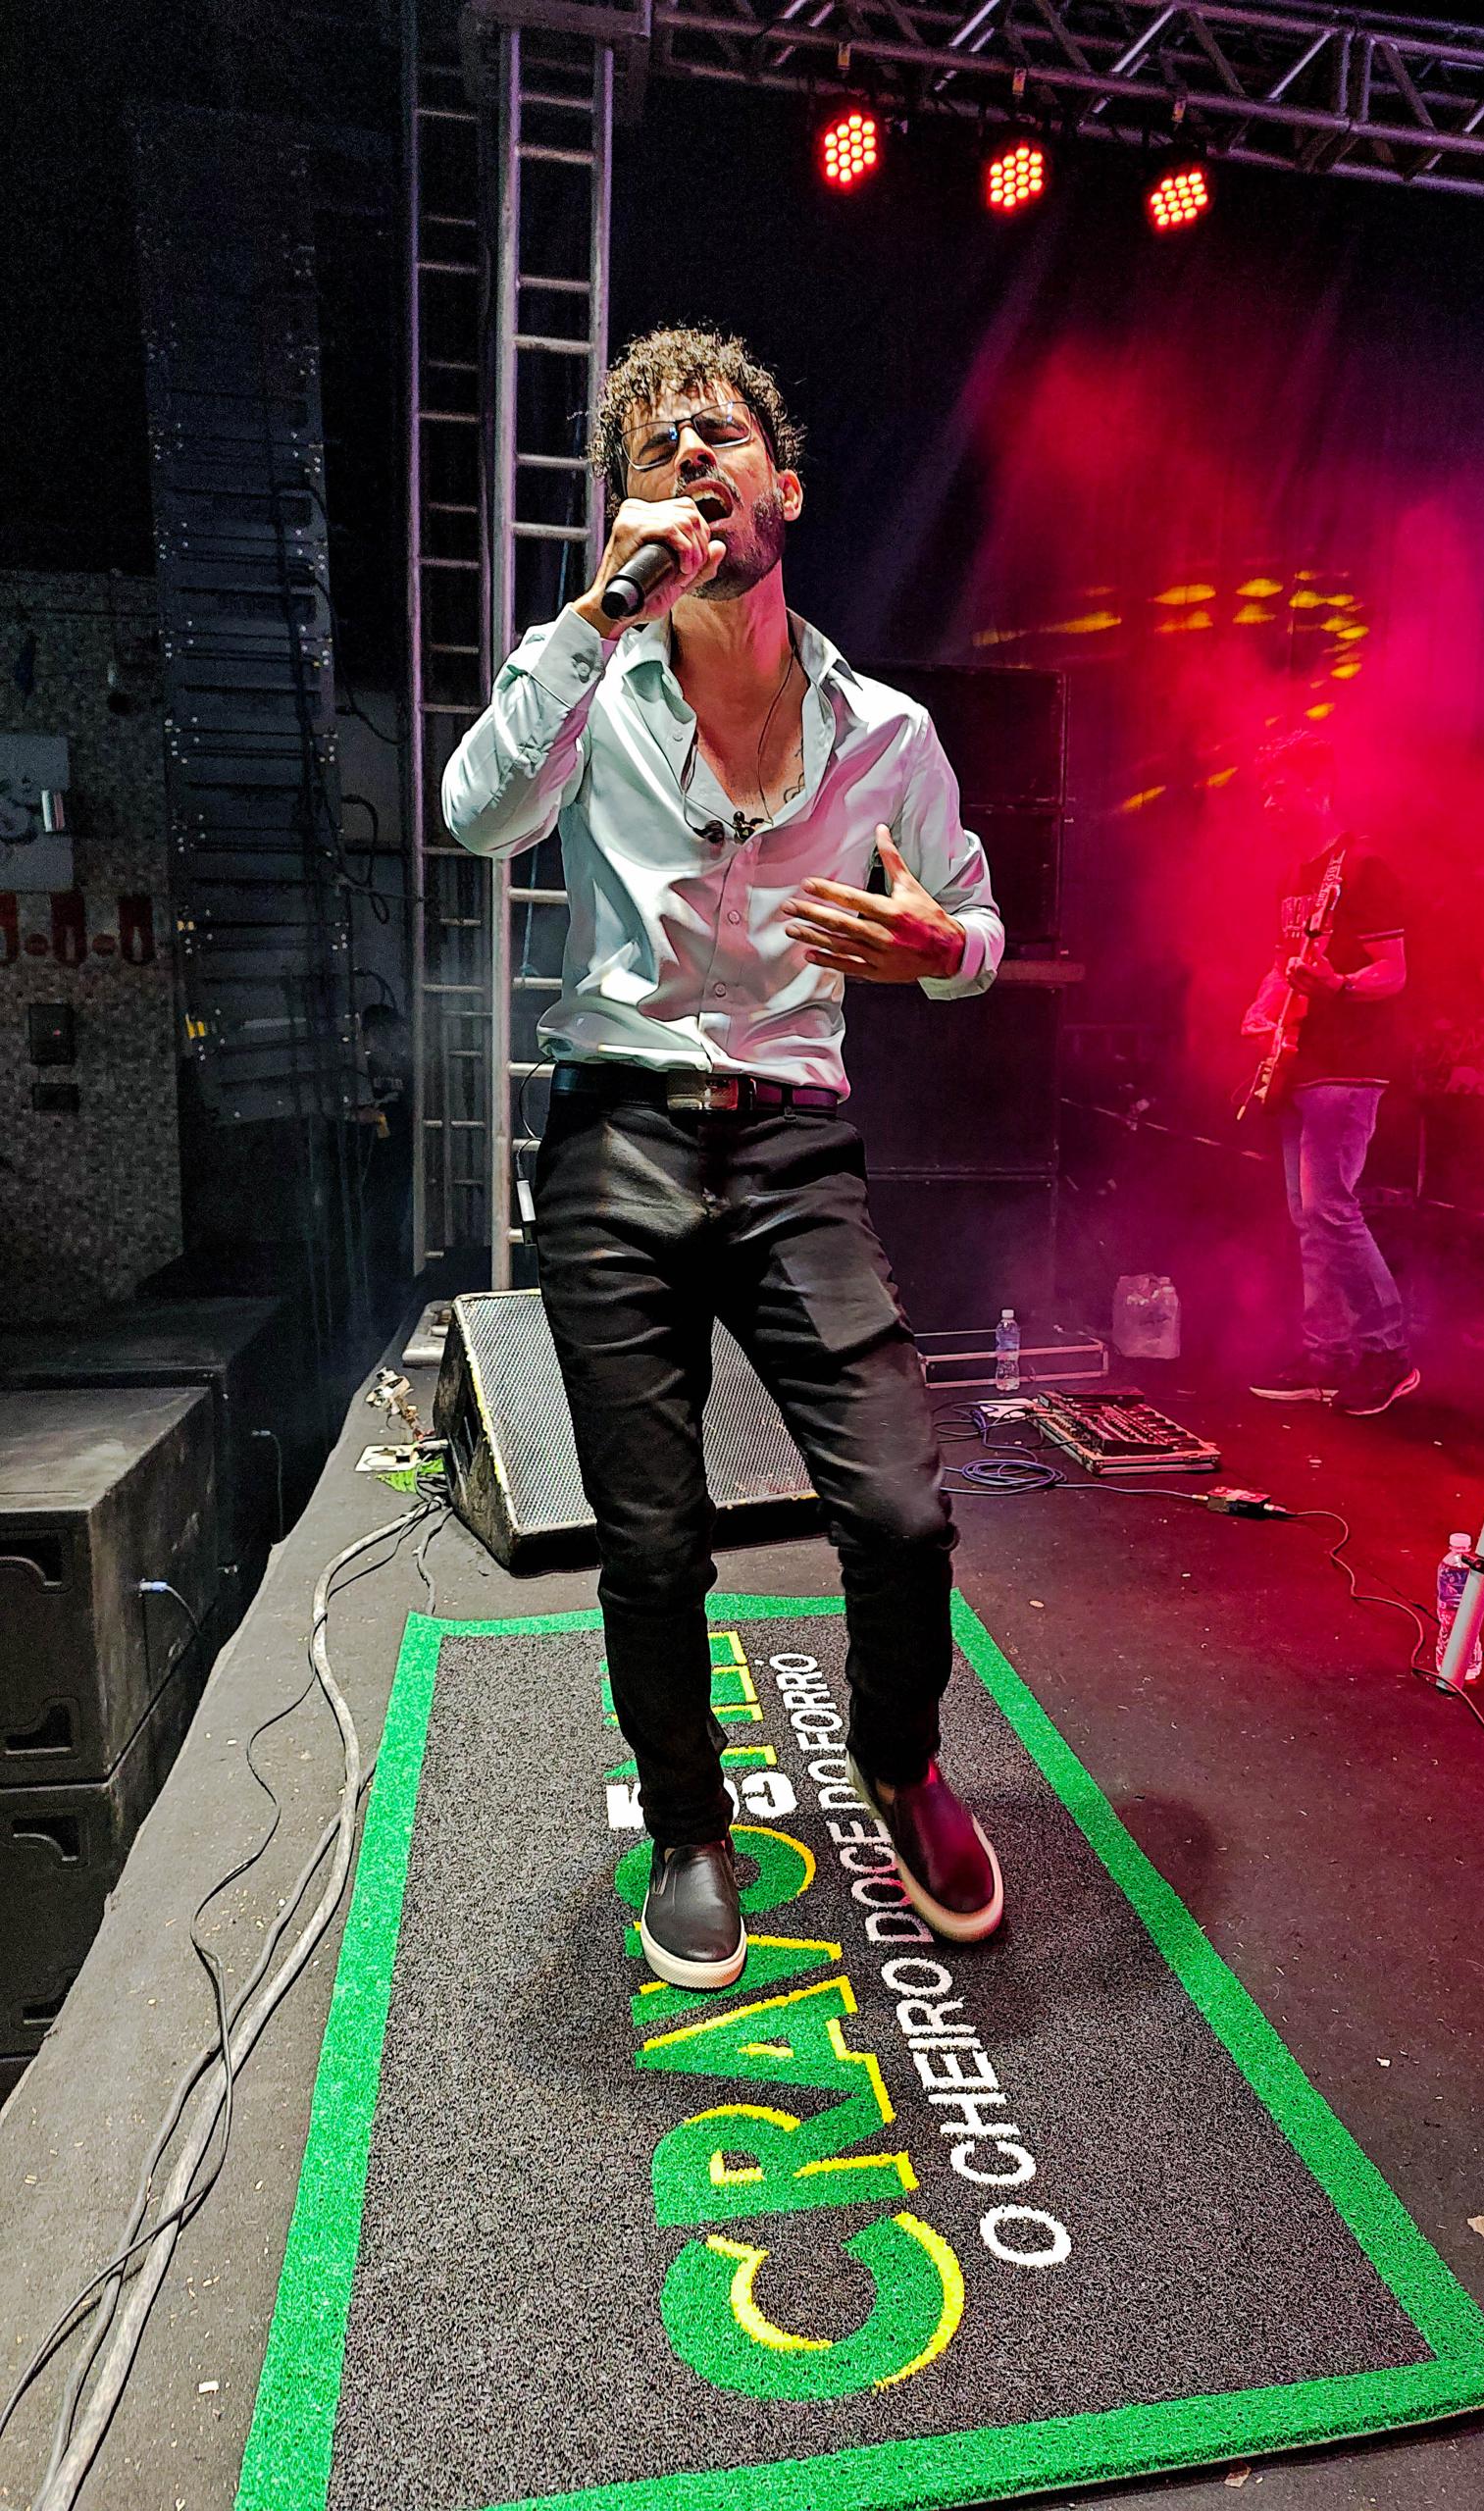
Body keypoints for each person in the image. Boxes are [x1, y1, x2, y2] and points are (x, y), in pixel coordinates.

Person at [442, 327, 1005, 1991]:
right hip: (617, 1135)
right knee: (650, 1537)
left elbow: (978, 922)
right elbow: (478, 814)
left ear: (785, 488)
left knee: (898, 1513)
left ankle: (900, 1762)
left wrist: (938, 949)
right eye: (658, 446)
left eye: (722, 433)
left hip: (793, 1147)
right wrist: (593, 617)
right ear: (634, 506)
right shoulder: (587, 681)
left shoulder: (888, 731)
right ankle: (690, 1828)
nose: (693, 454)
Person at [1242, 733, 1416, 1417]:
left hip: (1348, 1066)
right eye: (1264, 790)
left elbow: (1393, 973)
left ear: (1318, 787)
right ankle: (1328, 1354)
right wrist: (1262, 1006)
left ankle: (1387, 1353)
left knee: (1329, 1210)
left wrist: (1339, 985)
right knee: (1308, 1217)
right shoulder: (1298, 875)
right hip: (1300, 1061)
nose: (1268, 803)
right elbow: (1282, 962)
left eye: (1280, 788)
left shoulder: (1365, 867)